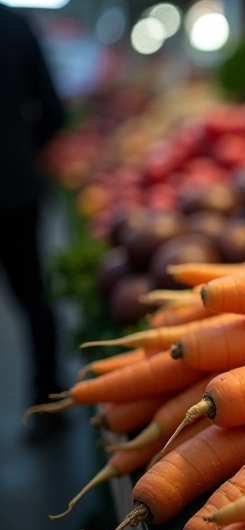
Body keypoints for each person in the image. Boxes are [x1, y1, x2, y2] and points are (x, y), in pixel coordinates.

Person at [0, 6, 68, 441]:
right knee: (33, 296)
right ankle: (48, 402)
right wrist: (22, 147)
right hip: (13, 184)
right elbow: (55, 111)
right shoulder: (15, 25)